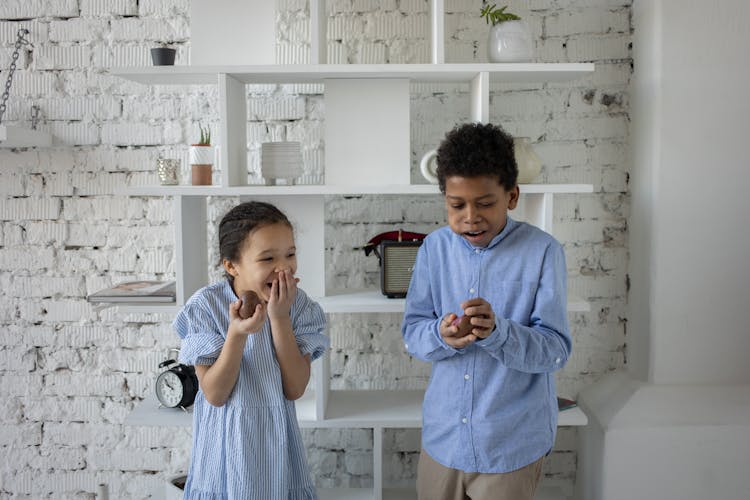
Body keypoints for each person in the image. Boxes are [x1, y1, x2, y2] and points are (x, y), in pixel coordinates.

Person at [402, 122, 571, 500]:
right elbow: (413, 332)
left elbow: (556, 349)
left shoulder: (543, 252)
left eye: (485, 203)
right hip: (443, 441)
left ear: (511, 196)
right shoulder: (433, 249)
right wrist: (441, 337)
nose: (470, 217)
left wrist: (500, 334)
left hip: (510, 446)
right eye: (456, 204)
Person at [173, 201, 329, 499]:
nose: (284, 267)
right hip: (223, 450)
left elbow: (294, 387)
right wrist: (237, 334)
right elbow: (215, 394)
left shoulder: (298, 308)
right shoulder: (206, 308)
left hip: (276, 449)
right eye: (268, 258)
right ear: (231, 265)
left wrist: (280, 317)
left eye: (290, 254)